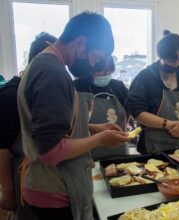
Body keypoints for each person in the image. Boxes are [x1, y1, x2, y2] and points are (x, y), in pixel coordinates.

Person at [17, 12, 129, 220]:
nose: (93, 65)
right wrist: (100, 139)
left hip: (51, 189)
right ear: (80, 42)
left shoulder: (48, 65)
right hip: (53, 193)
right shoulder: (52, 73)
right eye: (95, 57)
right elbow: (51, 151)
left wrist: (94, 128)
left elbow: (59, 128)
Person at [0, 32, 56, 220]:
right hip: (21, 174)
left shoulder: (45, 90)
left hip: (47, 175)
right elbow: (2, 149)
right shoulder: (11, 94)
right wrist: (8, 192)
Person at [127, 30, 179, 154]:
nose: (176, 64)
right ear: (161, 56)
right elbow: (136, 110)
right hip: (156, 144)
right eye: (172, 60)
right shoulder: (145, 78)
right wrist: (168, 124)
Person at [74, 56, 129, 160]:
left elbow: (128, 109)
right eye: (100, 72)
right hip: (89, 150)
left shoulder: (118, 86)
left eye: (108, 72)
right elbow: (73, 120)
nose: (105, 75)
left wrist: (124, 125)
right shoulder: (79, 86)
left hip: (118, 150)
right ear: (91, 69)